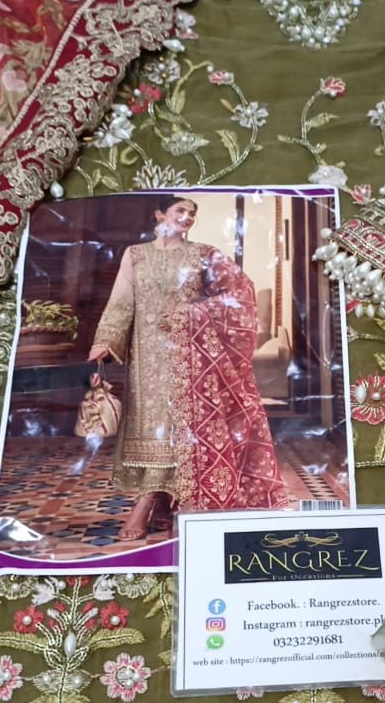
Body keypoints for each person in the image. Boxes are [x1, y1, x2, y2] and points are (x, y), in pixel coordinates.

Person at [88, 195, 288, 540]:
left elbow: (241, 293)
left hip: (191, 357)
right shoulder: (135, 255)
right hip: (145, 357)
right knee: (149, 425)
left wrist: (190, 314)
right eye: (180, 210)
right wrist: (104, 341)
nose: (187, 217)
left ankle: (145, 502)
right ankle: (163, 502)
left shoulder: (204, 254)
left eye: (192, 213)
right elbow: (121, 302)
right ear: (159, 214)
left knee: (177, 425)